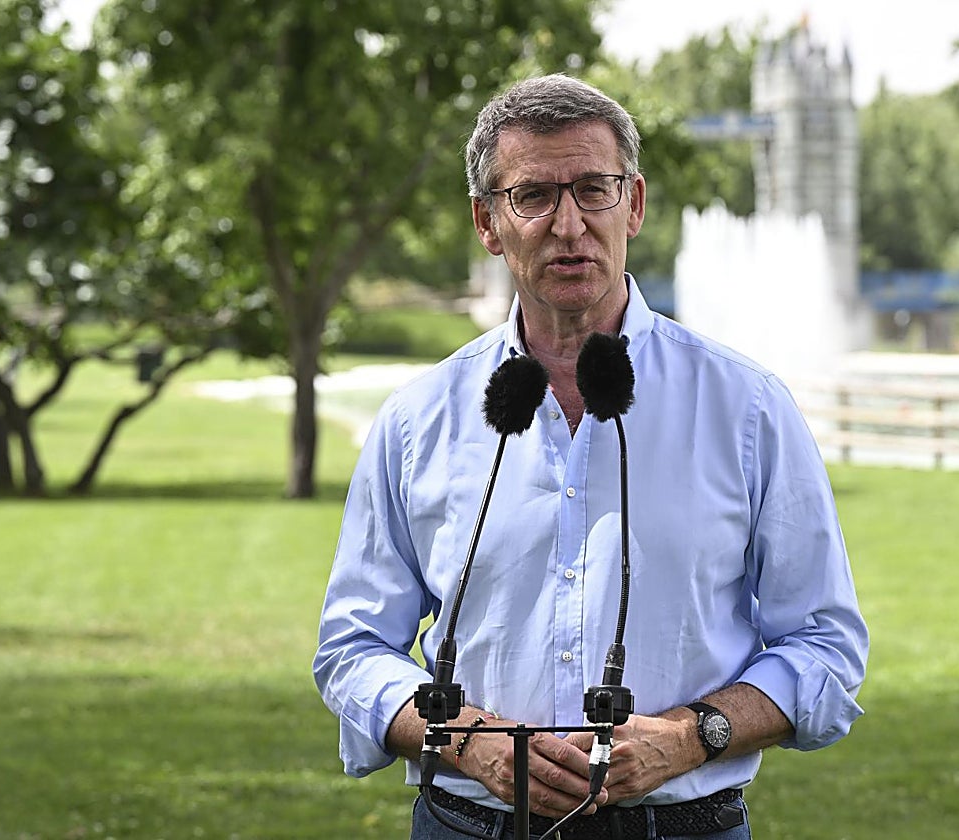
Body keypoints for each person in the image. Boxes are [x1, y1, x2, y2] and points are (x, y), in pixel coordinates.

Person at [314, 74, 869, 840]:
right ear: (486, 222)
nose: (568, 224)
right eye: (533, 196)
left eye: (593, 190)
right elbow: (353, 648)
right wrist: (467, 742)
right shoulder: (417, 420)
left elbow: (826, 645)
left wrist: (688, 737)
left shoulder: (748, 409)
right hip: (468, 823)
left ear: (633, 204)